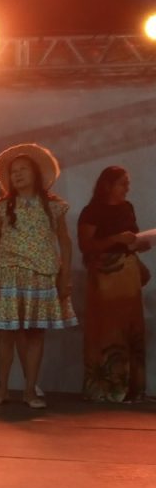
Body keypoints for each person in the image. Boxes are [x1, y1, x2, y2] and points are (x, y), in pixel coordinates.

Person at [0, 143, 77, 411]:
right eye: (13, 171)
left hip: (41, 275)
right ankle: (2, 388)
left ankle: (29, 390)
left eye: (23, 169)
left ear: (36, 173)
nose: (17, 174)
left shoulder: (54, 206)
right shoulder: (2, 207)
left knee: (35, 334)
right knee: (6, 334)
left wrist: (65, 276)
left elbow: (65, 242)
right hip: (10, 274)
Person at [78, 166, 149, 403]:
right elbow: (86, 245)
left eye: (127, 183)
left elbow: (133, 240)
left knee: (132, 328)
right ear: (107, 185)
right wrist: (115, 239)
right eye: (122, 183)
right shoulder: (92, 211)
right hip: (105, 274)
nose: (127, 188)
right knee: (109, 328)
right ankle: (107, 387)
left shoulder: (127, 207)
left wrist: (141, 243)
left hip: (128, 271)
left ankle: (133, 388)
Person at [0, 196, 45, 398]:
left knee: (21, 327)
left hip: (21, 270)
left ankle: (30, 383)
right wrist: (10, 243)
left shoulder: (32, 205)